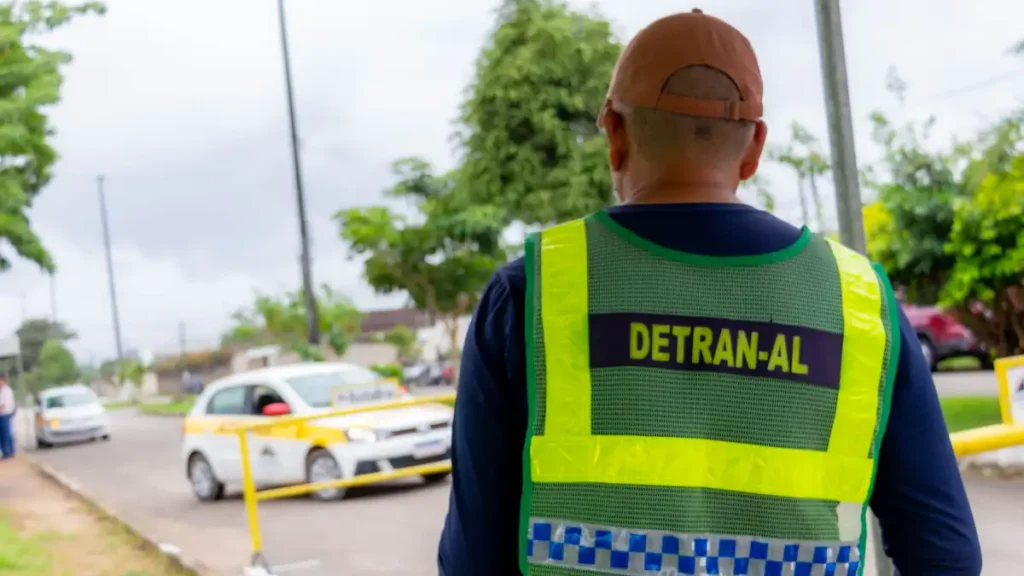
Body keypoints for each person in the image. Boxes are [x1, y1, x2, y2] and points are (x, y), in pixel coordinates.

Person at [438, 9, 982, 576]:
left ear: (615, 135)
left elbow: (472, 560)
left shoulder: (530, 294)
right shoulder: (861, 306)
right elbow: (946, 556)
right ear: (755, 149)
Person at [0, 376, 16, 459]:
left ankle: (10, 451)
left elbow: (5, 403)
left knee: (7, 433)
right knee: (1, 435)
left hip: (5, 414)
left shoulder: (7, 390)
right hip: (1, 415)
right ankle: (5, 452)